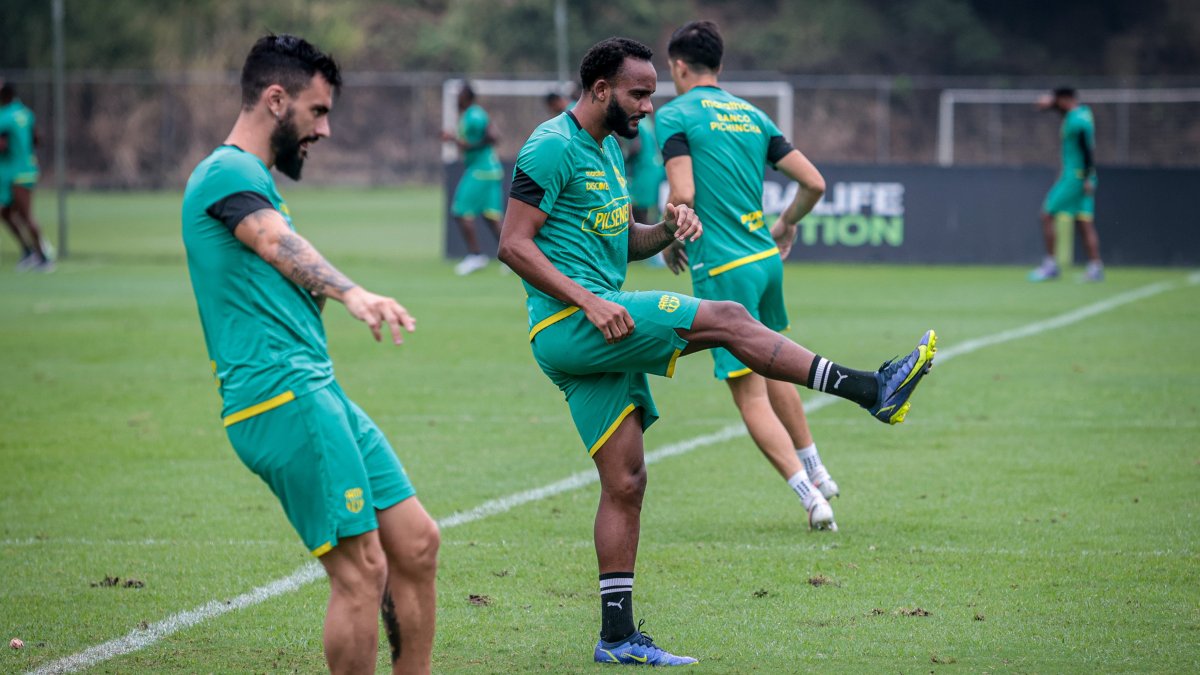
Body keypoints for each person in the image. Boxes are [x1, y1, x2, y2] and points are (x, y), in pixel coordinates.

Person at [498, 36, 936, 667]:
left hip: (598, 327)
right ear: (600, 89)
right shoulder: (551, 144)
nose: (649, 106)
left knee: (626, 480)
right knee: (729, 318)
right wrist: (589, 302)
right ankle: (871, 389)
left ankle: (616, 638)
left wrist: (665, 231)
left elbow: (621, 243)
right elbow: (513, 244)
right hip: (574, 323)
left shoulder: (608, 150)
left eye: (652, 93)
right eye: (638, 94)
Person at [180, 35, 438, 674]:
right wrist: (351, 292)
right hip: (280, 393)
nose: (324, 129)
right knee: (362, 571)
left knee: (415, 543)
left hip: (316, 388)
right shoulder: (228, 172)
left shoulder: (255, 181)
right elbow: (274, 243)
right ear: (276, 99)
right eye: (317, 111)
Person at [656, 21, 838, 530]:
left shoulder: (674, 114)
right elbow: (814, 182)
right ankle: (818, 470)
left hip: (723, 269)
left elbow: (683, 193)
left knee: (749, 393)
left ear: (678, 66)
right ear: (719, 65)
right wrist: (786, 223)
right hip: (764, 260)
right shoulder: (752, 114)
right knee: (777, 364)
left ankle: (810, 498)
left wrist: (668, 237)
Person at [1029, 87, 1104, 282]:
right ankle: (1095, 267)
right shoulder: (1083, 113)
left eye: (1057, 99)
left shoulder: (1076, 121)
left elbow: (1086, 150)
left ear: (1065, 100)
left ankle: (1050, 265)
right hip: (1084, 176)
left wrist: (1085, 177)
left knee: (1047, 214)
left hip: (1076, 177)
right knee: (1083, 222)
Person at [442, 83, 504, 275]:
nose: (457, 98)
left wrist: (459, 142)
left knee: (461, 210)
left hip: (481, 170)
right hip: (490, 170)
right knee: (491, 216)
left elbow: (493, 136)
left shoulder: (474, 115)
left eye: (460, 95)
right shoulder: (472, 114)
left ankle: (476, 256)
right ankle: (513, 256)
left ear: (467, 97)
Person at [0, 81, 53, 271]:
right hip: (25, 169)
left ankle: (44, 257)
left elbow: (3, 145)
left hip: (16, 173)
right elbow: (37, 138)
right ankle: (29, 251)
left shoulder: (4, 116)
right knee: (5, 212)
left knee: (25, 215)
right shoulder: (25, 113)